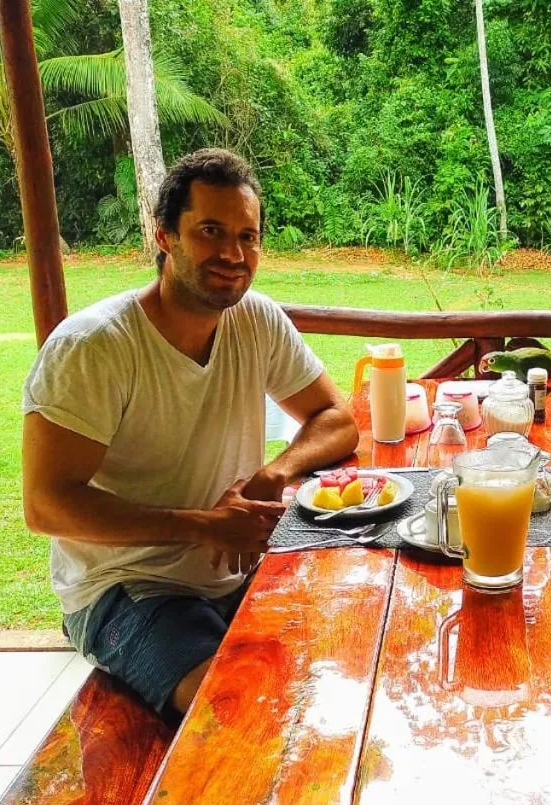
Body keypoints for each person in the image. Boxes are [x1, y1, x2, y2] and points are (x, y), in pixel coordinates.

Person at [21, 148, 358, 722]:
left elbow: (336, 418)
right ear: (164, 237)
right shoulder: (95, 347)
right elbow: (46, 506)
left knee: (345, 661)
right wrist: (202, 525)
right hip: (127, 587)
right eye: (210, 231)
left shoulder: (256, 319)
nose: (233, 254)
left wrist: (274, 473)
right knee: (231, 710)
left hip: (232, 570)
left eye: (247, 237)